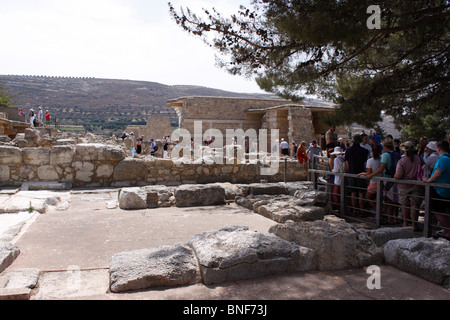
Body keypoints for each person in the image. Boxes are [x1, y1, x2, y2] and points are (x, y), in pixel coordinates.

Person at [366, 138, 400, 224]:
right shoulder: (396, 154)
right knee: (395, 200)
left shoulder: (385, 155)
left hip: (388, 178)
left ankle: (390, 219)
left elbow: (382, 168)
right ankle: (395, 218)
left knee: (389, 200)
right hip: (396, 178)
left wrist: (371, 175)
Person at [423, 141, 450, 241]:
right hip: (445, 190)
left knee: (438, 211)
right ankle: (445, 231)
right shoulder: (448, 158)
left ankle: (448, 229)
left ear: (438, 148)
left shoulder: (443, 159)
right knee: (442, 211)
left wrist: (428, 180)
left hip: (440, 190)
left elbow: (438, 172)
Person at [394, 141, 423, 230]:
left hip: (404, 186)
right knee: (415, 205)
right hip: (417, 185)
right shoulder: (419, 159)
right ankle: (414, 225)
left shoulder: (402, 161)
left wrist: (395, 176)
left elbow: (398, 175)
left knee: (405, 205)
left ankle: (406, 224)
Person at [345, 134, 369, 216]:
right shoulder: (364, 151)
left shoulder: (348, 150)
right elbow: (365, 164)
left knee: (353, 192)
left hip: (351, 173)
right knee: (361, 193)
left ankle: (354, 210)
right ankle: (362, 210)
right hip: (361, 173)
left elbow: (347, 163)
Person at [358, 144, 382, 211]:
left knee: (368, 197)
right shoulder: (382, 159)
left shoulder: (370, 161)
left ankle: (378, 210)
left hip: (373, 182)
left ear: (372, 150)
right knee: (378, 198)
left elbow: (369, 173)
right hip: (381, 182)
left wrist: (362, 173)